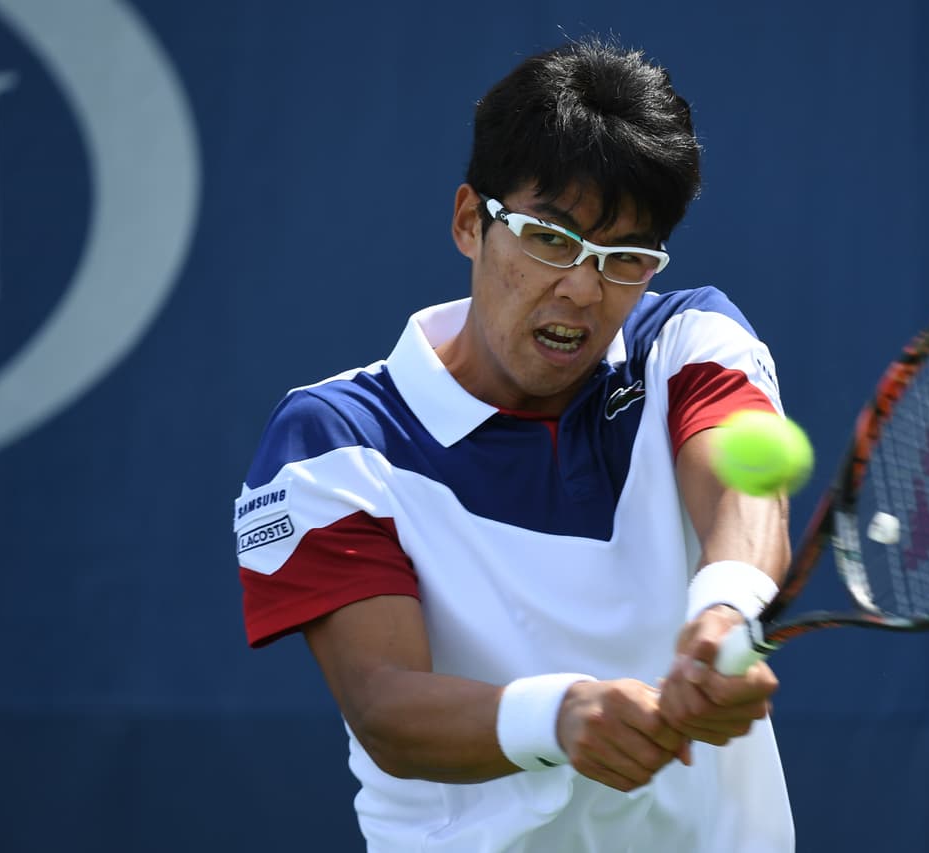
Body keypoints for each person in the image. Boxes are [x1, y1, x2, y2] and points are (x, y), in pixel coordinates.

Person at [234, 36, 795, 852]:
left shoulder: (686, 339)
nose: (581, 286)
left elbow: (742, 477)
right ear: (471, 221)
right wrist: (561, 715)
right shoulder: (333, 438)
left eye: (625, 257)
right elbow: (387, 705)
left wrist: (728, 603)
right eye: (552, 238)